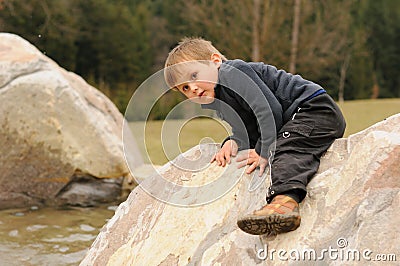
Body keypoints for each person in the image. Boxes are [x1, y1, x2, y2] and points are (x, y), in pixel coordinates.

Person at [164, 37, 346, 235]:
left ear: (215, 61)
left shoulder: (232, 73)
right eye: (184, 88)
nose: (193, 89)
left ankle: (284, 202)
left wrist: (263, 151)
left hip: (313, 110)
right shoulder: (218, 98)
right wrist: (234, 142)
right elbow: (249, 129)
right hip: (299, 119)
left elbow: (268, 110)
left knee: (285, 148)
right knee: (285, 141)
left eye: (193, 76)